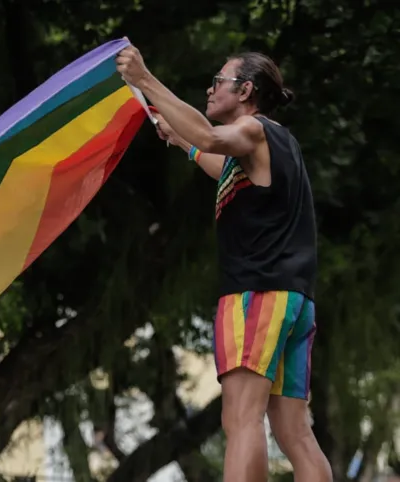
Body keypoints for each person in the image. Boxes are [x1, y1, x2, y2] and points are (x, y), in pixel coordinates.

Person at [116, 42, 332, 482]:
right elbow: (216, 157)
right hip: (294, 300)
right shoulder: (275, 142)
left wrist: (144, 79)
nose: (210, 90)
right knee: (294, 433)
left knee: (240, 418)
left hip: (257, 294)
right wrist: (183, 143)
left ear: (246, 89)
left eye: (219, 82)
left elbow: (211, 137)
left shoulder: (251, 130)